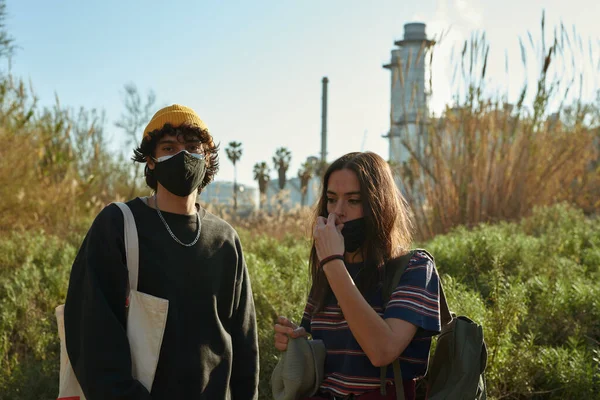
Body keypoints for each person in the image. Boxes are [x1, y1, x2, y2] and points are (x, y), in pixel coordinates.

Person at [64, 104, 259, 399]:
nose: (182, 155)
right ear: (151, 160)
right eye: (168, 147)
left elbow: (244, 344)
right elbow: (92, 336)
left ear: (207, 158)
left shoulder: (225, 239)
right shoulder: (117, 225)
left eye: (193, 147)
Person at [273, 152, 441, 400]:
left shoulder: (413, 269)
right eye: (331, 200)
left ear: (379, 205)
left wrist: (332, 263)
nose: (338, 212)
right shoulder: (329, 271)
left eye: (353, 201)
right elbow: (330, 352)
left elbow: (382, 351)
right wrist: (294, 340)